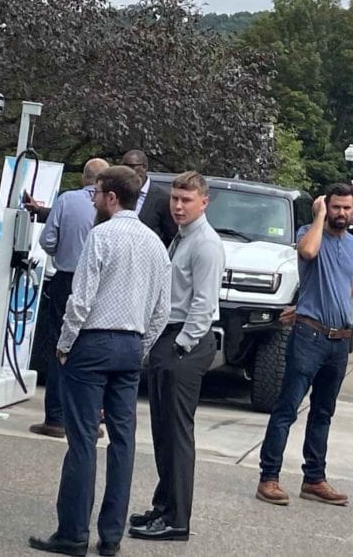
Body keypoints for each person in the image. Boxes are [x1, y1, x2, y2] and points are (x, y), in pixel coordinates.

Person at [29, 166, 172, 557]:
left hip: (93, 342)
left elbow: (82, 298)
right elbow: (163, 308)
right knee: (123, 441)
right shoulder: (155, 243)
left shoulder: (101, 235)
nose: (92, 198)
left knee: (82, 440)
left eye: (97, 193)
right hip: (130, 343)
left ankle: (73, 531)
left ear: (111, 197)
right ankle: (111, 536)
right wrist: (140, 347)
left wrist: (64, 342)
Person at [255, 184, 353, 507]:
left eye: (347, 208)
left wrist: (350, 323)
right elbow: (307, 253)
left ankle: (314, 478)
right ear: (325, 207)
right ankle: (269, 477)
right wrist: (318, 216)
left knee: (323, 412)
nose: (341, 214)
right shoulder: (309, 232)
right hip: (309, 336)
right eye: (336, 208)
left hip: (338, 341)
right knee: (287, 407)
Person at [129, 172, 225, 542]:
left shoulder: (206, 244)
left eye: (187, 200)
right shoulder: (182, 238)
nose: (179, 206)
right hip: (168, 339)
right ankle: (163, 506)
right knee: (163, 432)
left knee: (177, 434)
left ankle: (177, 519)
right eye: (175, 199)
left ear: (204, 201)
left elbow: (203, 303)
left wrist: (181, 344)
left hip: (185, 342)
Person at [29, 158, 108, 439]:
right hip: (100, 282)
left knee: (60, 344)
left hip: (66, 277)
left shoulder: (66, 200)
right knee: (92, 346)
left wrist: (61, 251)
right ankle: (89, 417)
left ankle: (56, 417)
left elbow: (47, 240)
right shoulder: (110, 206)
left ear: (83, 178)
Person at [120, 149, 178, 247]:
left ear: (144, 167)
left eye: (131, 167)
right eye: (124, 167)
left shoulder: (162, 199)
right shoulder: (118, 193)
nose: (127, 171)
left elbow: (171, 237)